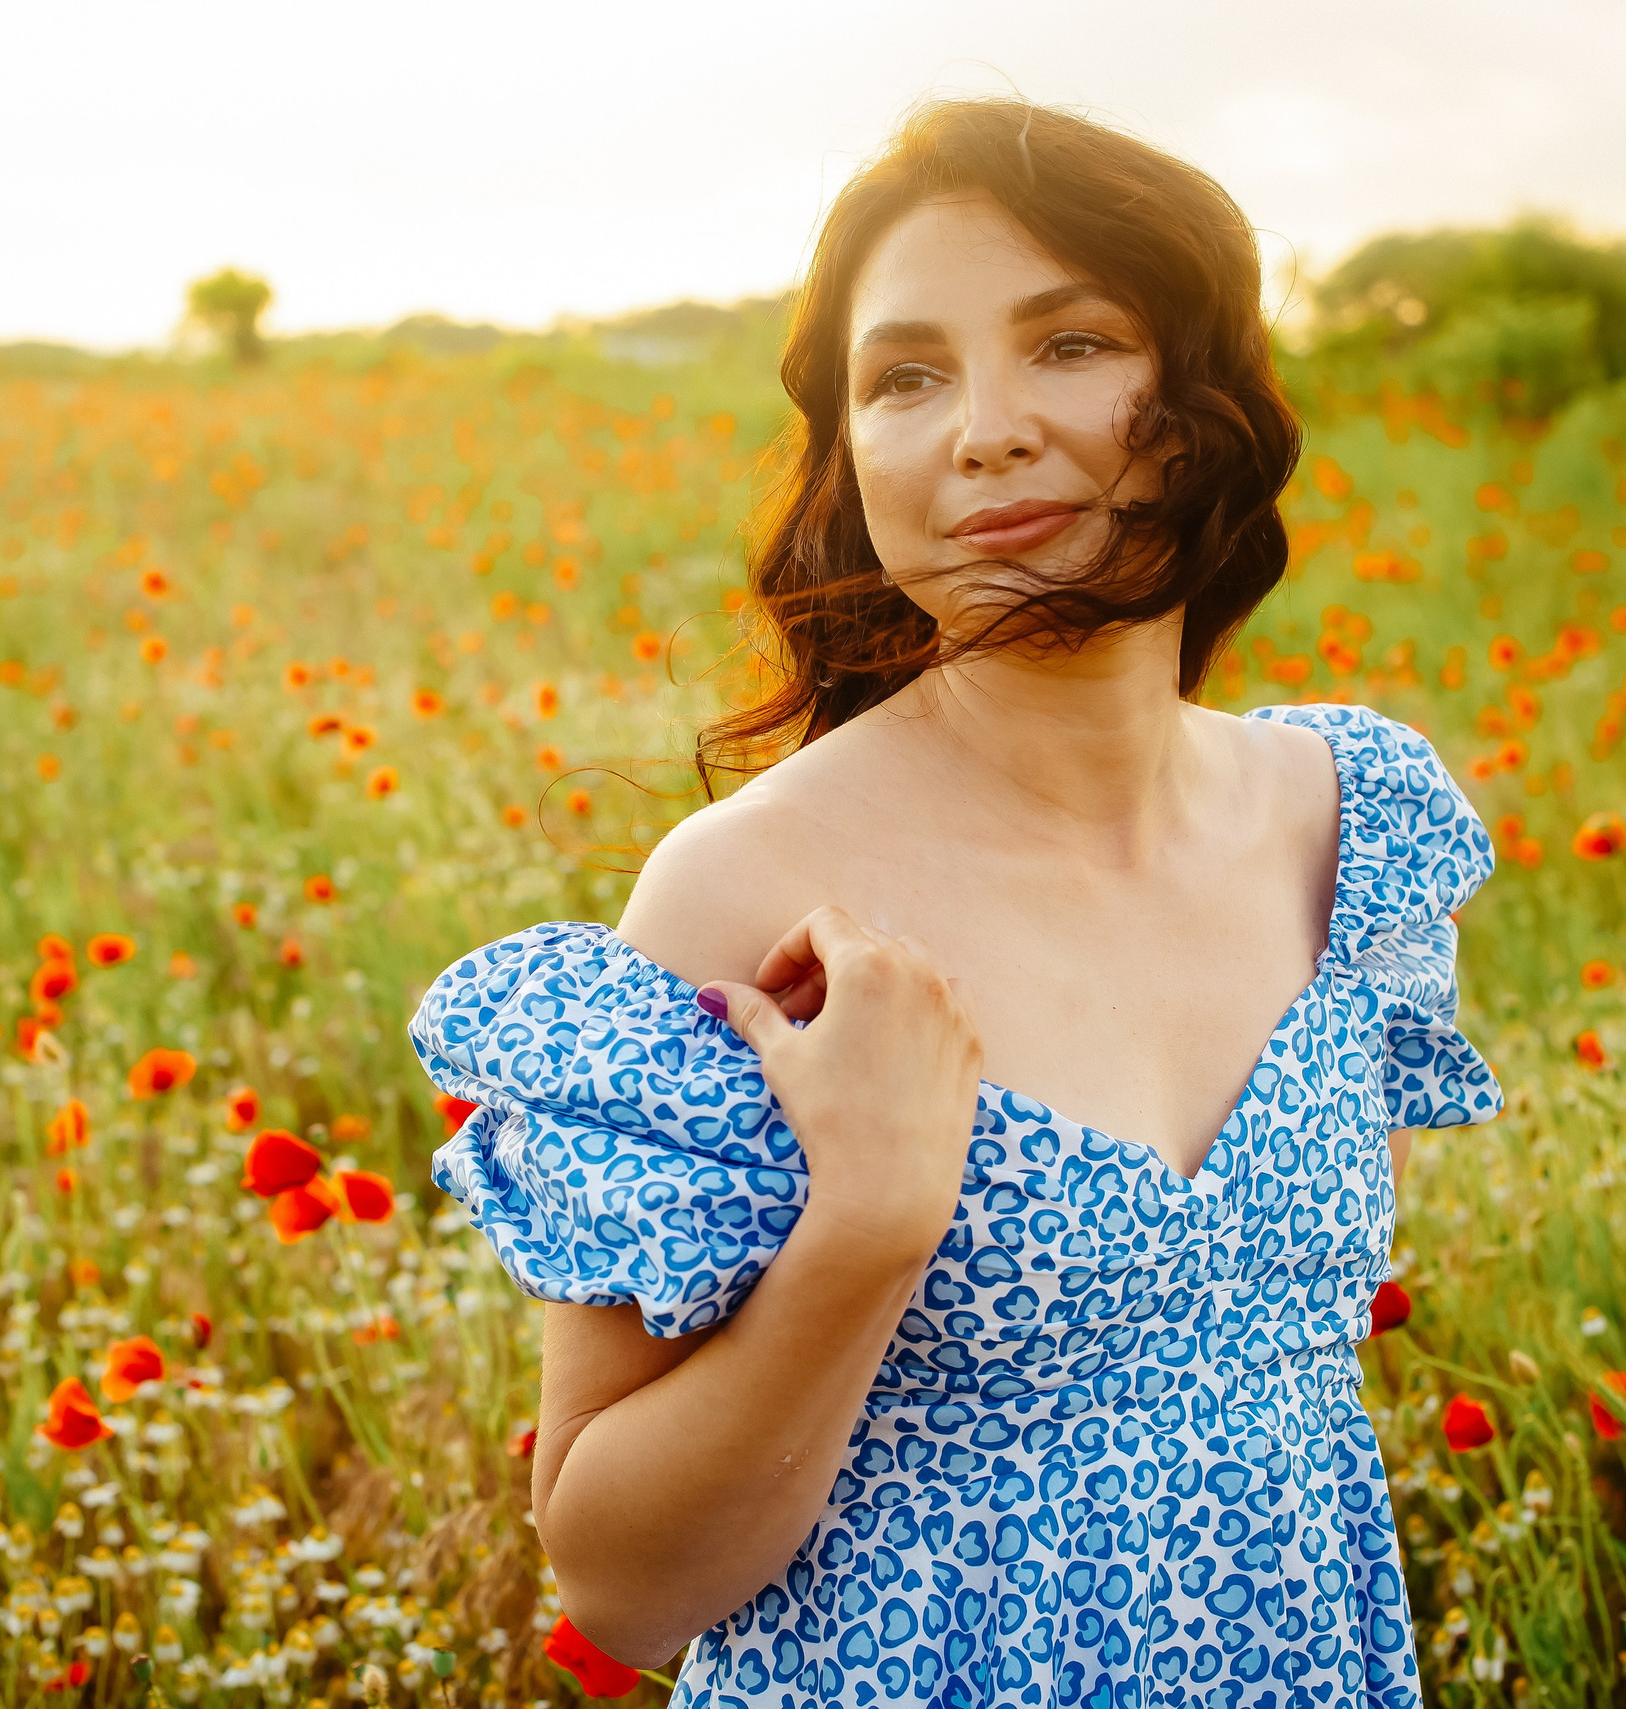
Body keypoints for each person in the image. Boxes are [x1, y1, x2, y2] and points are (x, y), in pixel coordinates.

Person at [408, 96, 1500, 1709]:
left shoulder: (1353, 822)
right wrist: (867, 1224)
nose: (981, 427)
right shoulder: (752, 895)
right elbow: (626, 1589)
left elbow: (1291, 1351)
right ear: (854, 460)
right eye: (906, 377)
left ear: (1202, 403)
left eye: (1068, 345)